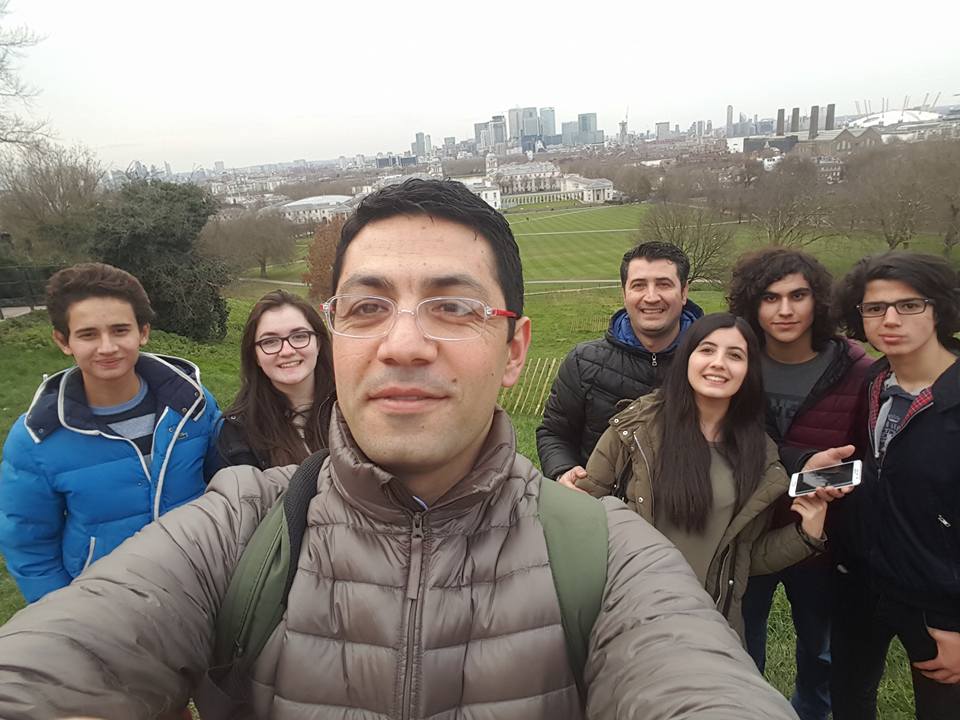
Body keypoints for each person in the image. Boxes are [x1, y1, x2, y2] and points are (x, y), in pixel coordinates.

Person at [0, 180, 799, 720]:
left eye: (453, 306)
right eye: (367, 305)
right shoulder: (240, 524)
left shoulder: (609, 552)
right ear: (335, 332)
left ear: (515, 350)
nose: (405, 344)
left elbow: (700, 683)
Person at [573, 313, 848, 637]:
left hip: (711, 627)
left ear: (749, 372)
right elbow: (585, 521)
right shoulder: (635, 429)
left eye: (735, 355)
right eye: (707, 350)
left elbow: (744, 557)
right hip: (627, 616)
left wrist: (806, 534)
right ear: (687, 359)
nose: (719, 363)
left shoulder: (760, 454)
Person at [0, 262, 221, 603]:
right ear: (63, 341)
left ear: (142, 332)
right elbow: (30, 549)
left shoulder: (192, 406)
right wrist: (67, 619)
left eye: (120, 330)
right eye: (88, 334)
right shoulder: (34, 440)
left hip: (204, 589)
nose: (107, 347)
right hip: (106, 607)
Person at [728, 248, 873, 720]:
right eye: (770, 298)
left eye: (798, 296)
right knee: (740, 649)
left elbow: (870, 457)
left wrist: (834, 480)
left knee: (822, 652)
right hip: (748, 534)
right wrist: (802, 462)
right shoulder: (735, 362)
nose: (785, 310)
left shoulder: (858, 369)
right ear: (753, 305)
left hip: (823, 540)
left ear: (819, 301)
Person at [830, 252, 960, 719]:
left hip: (938, 606)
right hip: (864, 583)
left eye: (909, 306)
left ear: (939, 309)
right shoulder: (875, 379)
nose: (890, 319)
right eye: (874, 308)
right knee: (848, 698)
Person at [537, 241, 703, 484]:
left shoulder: (712, 364)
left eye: (664, 284)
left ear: (684, 291)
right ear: (624, 293)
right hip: (602, 510)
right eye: (638, 286)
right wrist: (562, 471)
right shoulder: (584, 362)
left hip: (686, 512)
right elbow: (554, 433)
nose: (651, 297)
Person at [217, 289, 335, 469]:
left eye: (299, 336)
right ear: (255, 355)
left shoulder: (353, 408)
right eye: (270, 341)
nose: (287, 351)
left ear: (318, 343)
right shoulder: (237, 432)